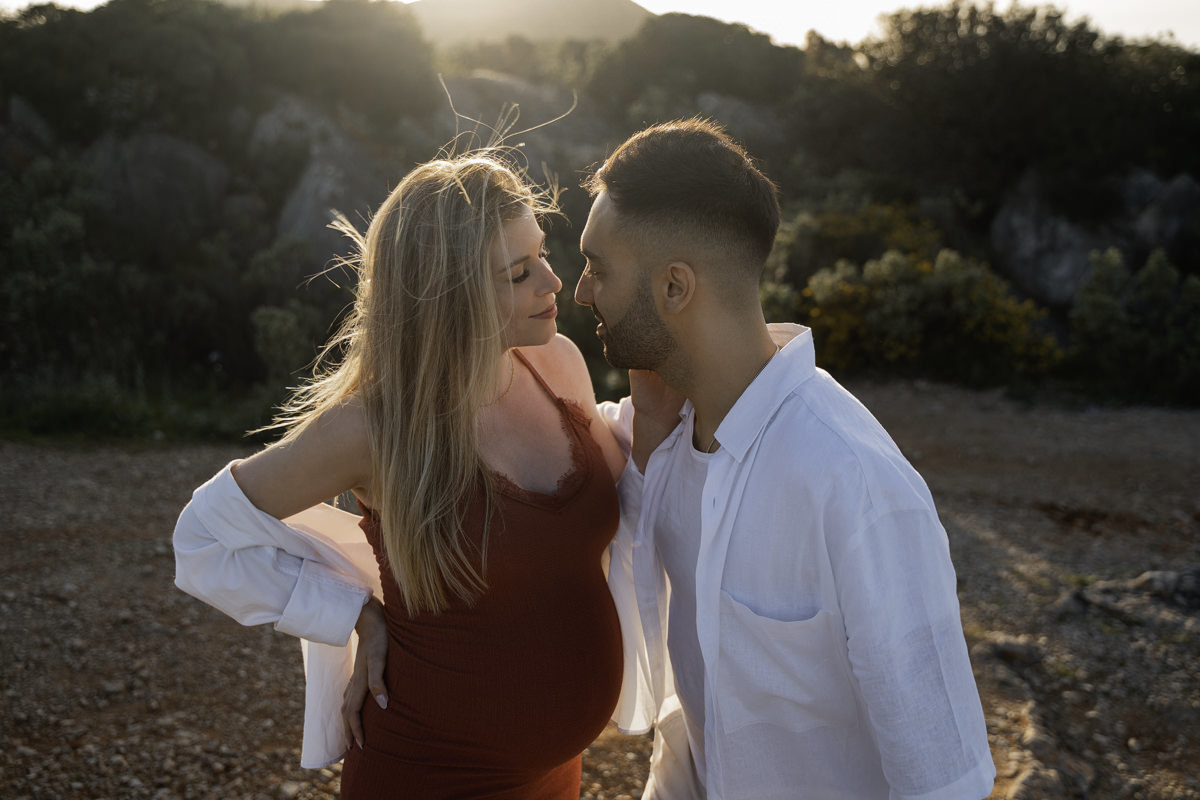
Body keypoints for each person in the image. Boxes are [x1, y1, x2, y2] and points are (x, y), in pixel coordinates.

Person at [172, 151, 638, 799]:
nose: (553, 281)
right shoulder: (373, 426)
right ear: (447, 293)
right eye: (519, 271)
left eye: (542, 254)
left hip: (553, 778)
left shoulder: (555, 362)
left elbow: (628, 474)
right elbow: (202, 537)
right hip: (428, 771)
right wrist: (352, 612)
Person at [573, 119, 997, 799]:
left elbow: (943, 781)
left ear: (675, 288)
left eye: (598, 269)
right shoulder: (660, 436)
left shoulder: (854, 484)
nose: (581, 292)